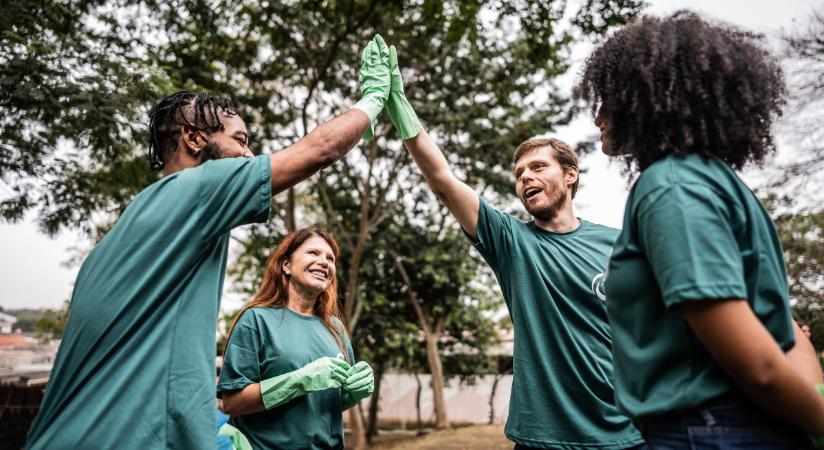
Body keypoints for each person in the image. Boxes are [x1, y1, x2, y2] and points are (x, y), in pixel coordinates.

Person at [26, 35, 390, 450]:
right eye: (241, 140)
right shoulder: (196, 187)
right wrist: (374, 99)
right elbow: (319, 150)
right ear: (194, 139)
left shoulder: (137, 225)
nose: (250, 157)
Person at [577, 11, 824, 448]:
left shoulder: (671, 186)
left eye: (608, 96)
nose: (597, 115)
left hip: (710, 431)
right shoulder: (714, 183)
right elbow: (783, 329)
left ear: (648, 96)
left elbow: (761, 366)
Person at [378, 43, 643, 449]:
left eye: (538, 167)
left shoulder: (617, 242)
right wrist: (399, 104)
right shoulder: (511, 241)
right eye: (519, 173)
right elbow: (444, 181)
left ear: (570, 175)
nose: (525, 177)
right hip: (542, 438)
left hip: (623, 433)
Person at [217, 227, 373, 450]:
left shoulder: (336, 329)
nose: (324, 262)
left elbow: (323, 407)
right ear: (286, 265)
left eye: (330, 258)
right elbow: (232, 403)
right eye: (313, 253)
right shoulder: (256, 320)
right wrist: (300, 380)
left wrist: (353, 394)